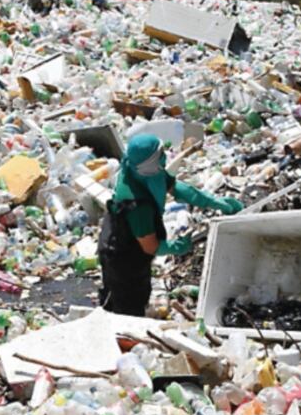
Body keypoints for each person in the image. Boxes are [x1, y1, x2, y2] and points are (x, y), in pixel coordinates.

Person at [98, 134, 242, 316]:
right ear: (150, 163)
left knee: (134, 292)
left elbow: (175, 187)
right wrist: (178, 246)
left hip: (128, 239)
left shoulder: (141, 170)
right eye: (160, 154)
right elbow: (150, 246)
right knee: (128, 301)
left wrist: (214, 202)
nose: (165, 157)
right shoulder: (136, 204)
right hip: (121, 253)